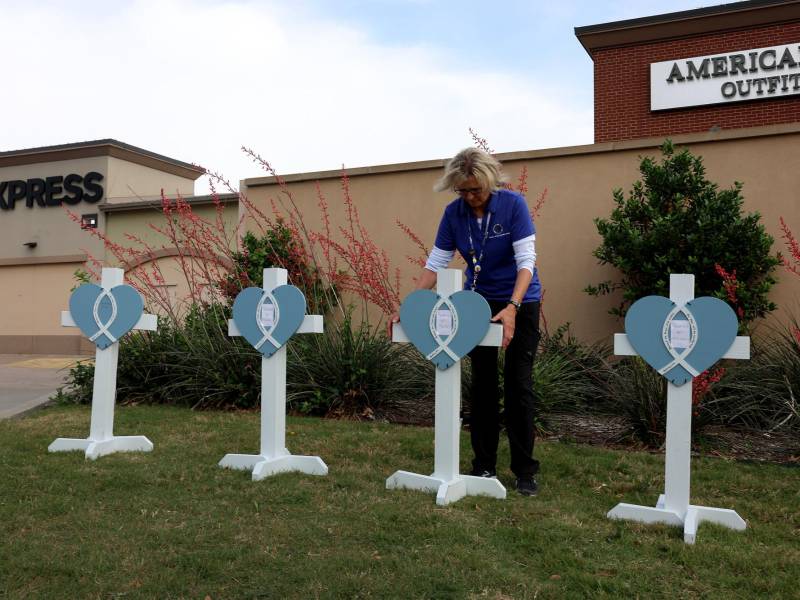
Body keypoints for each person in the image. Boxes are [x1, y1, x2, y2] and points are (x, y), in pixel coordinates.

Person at [391, 147, 542, 496]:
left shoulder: (513, 206)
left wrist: (513, 307)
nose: (471, 197)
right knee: (483, 385)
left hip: (521, 300)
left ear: (491, 182)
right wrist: (410, 303)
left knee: (519, 385)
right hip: (477, 304)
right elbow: (437, 262)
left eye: (477, 190)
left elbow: (526, 261)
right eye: (463, 191)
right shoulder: (453, 213)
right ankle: (484, 466)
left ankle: (524, 471)